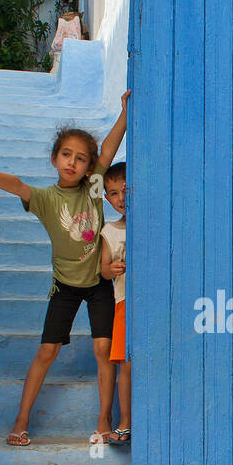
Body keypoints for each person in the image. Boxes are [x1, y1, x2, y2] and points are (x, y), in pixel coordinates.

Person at [0, 91, 129, 446]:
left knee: (103, 349)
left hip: (99, 284)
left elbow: (107, 148)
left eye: (80, 159)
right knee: (47, 351)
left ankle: (104, 420)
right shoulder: (46, 200)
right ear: (55, 158)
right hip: (65, 286)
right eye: (66, 155)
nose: (72, 163)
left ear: (90, 167)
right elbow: (17, 185)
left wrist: (124, 114)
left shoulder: (93, 188)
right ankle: (21, 418)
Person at [98, 163, 129, 446]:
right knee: (126, 366)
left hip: (151, 303)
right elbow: (103, 269)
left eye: (125, 190)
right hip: (122, 304)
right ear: (106, 198)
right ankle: (125, 422)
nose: (121, 198)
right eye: (113, 193)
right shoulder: (110, 231)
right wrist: (112, 269)